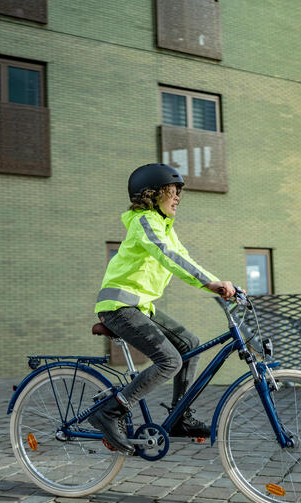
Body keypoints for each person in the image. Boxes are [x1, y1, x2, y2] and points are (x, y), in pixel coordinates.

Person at [89, 163, 236, 454]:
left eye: (179, 193)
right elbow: (168, 256)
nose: (178, 198)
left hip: (140, 307)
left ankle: (179, 417)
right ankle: (109, 412)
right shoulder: (144, 221)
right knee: (169, 361)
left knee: (190, 344)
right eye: (173, 191)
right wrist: (211, 284)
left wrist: (217, 283)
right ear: (152, 194)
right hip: (119, 307)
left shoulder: (165, 226)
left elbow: (182, 257)